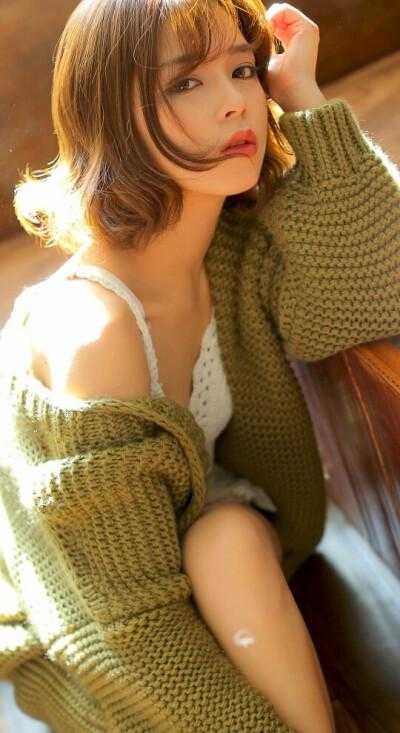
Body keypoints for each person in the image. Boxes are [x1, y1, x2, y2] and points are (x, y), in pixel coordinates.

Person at [1, 0, 399, 730]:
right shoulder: (96, 335)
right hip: (89, 629)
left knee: (227, 541)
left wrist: (305, 101)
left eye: (242, 71)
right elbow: (128, 631)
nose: (234, 104)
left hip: (224, 552)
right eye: (185, 83)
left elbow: (376, 294)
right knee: (225, 542)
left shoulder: (232, 247)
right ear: (111, 119)